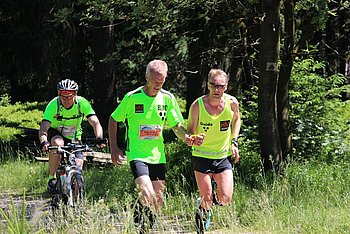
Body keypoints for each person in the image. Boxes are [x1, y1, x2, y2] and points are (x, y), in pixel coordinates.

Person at [108, 59, 191, 231]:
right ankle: (140, 222)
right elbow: (113, 119)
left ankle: (143, 226)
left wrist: (186, 138)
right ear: (147, 77)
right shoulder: (132, 98)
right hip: (137, 153)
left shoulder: (168, 98)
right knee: (148, 193)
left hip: (158, 155)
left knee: (157, 200)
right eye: (154, 81)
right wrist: (114, 148)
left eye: (161, 82)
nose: (158, 85)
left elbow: (176, 126)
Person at [186, 69, 241, 232]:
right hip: (201, 156)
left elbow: (236, 121)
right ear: (208, 85)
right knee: (207, 199)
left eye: (220, 86)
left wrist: (234, 141)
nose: (217, 90)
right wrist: (193, 138)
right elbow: (189, 131)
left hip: (223, 156)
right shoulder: (198, 105)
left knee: (225, 198)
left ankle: (206, 205)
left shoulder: (232, 103)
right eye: (213, 85)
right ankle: (203, 210)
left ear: (226, 87)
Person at [39, 79, 106, 193]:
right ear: (59, 94)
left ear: (75, 95)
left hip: (74, 137)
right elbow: (44, 126)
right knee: (58, 143)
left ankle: (75, 197)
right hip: (55, 132)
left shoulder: (82, 103)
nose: (66, 100)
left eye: (69, 97)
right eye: (63, 97)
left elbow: (95, 122)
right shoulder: (53, 104)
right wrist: (44, 141)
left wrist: (99, 138)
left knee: (78, 164)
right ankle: (52, 178)